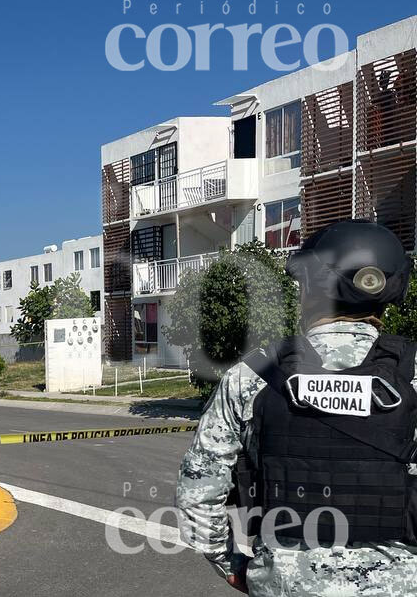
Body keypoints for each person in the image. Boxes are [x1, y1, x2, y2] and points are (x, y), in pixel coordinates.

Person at [177, 220, 417, 596]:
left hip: (284, 585)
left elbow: (198, 493)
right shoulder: (413, 374)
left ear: (311, 289)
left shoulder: (254, 375)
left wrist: (233, 565)